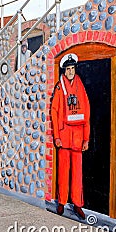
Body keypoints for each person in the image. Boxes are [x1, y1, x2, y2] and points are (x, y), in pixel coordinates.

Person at [50, 53, 90, 220]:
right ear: (64, 71)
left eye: (73, 68)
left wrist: (86, 138)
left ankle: (77, 204)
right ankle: (62, 202)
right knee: (63, 171)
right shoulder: (60, 87)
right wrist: (57, 136)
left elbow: (86, 112)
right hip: (65, 137)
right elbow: (55, 111)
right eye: (68, 69)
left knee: (77, 174)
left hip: (78, 138)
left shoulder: (80, 86)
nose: (71, 72)